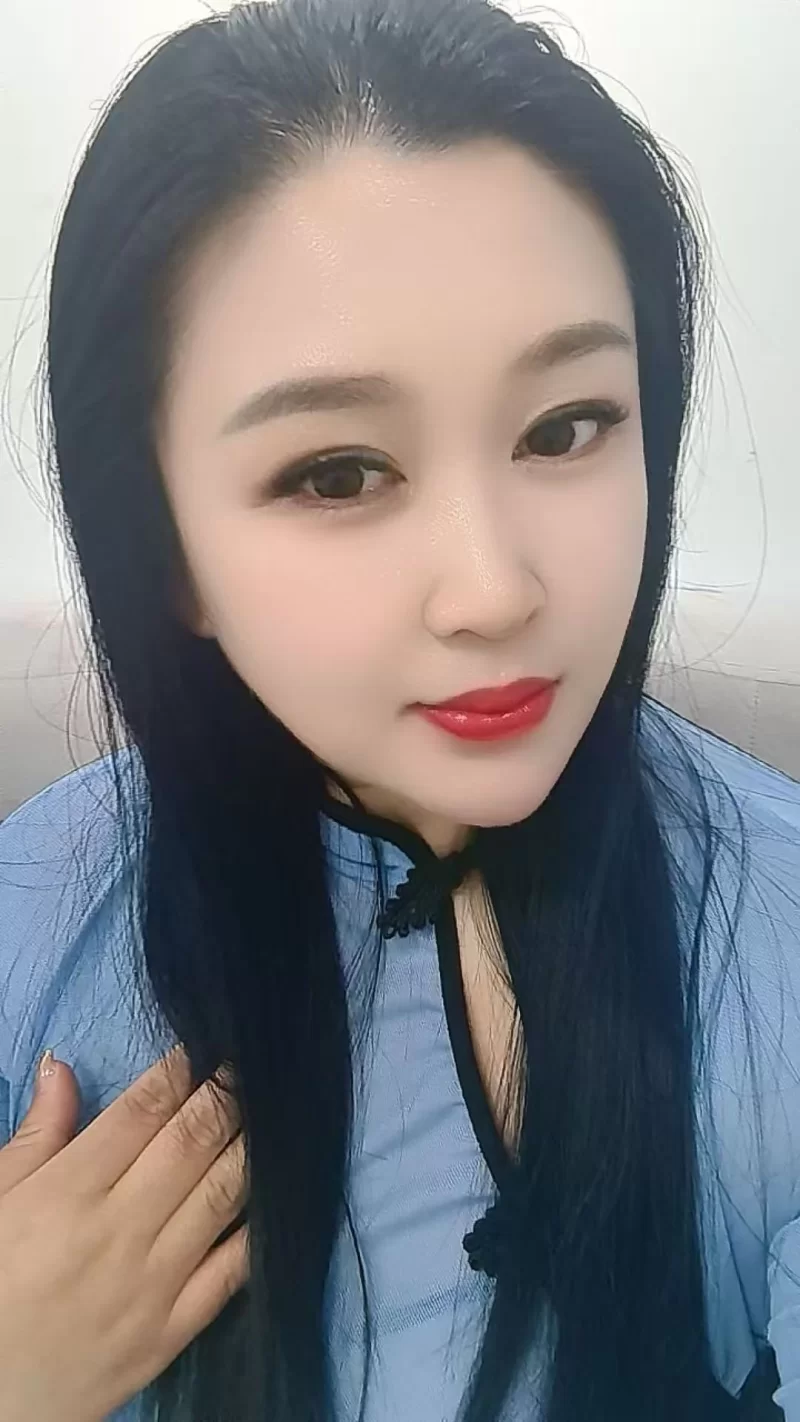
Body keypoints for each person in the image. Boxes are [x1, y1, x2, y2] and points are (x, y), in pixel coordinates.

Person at [0, 0, 798, 1419]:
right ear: (166, 543)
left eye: (566, 427)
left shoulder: (774, 920)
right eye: (339, 473)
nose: (495, 591)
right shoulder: (32, 923)